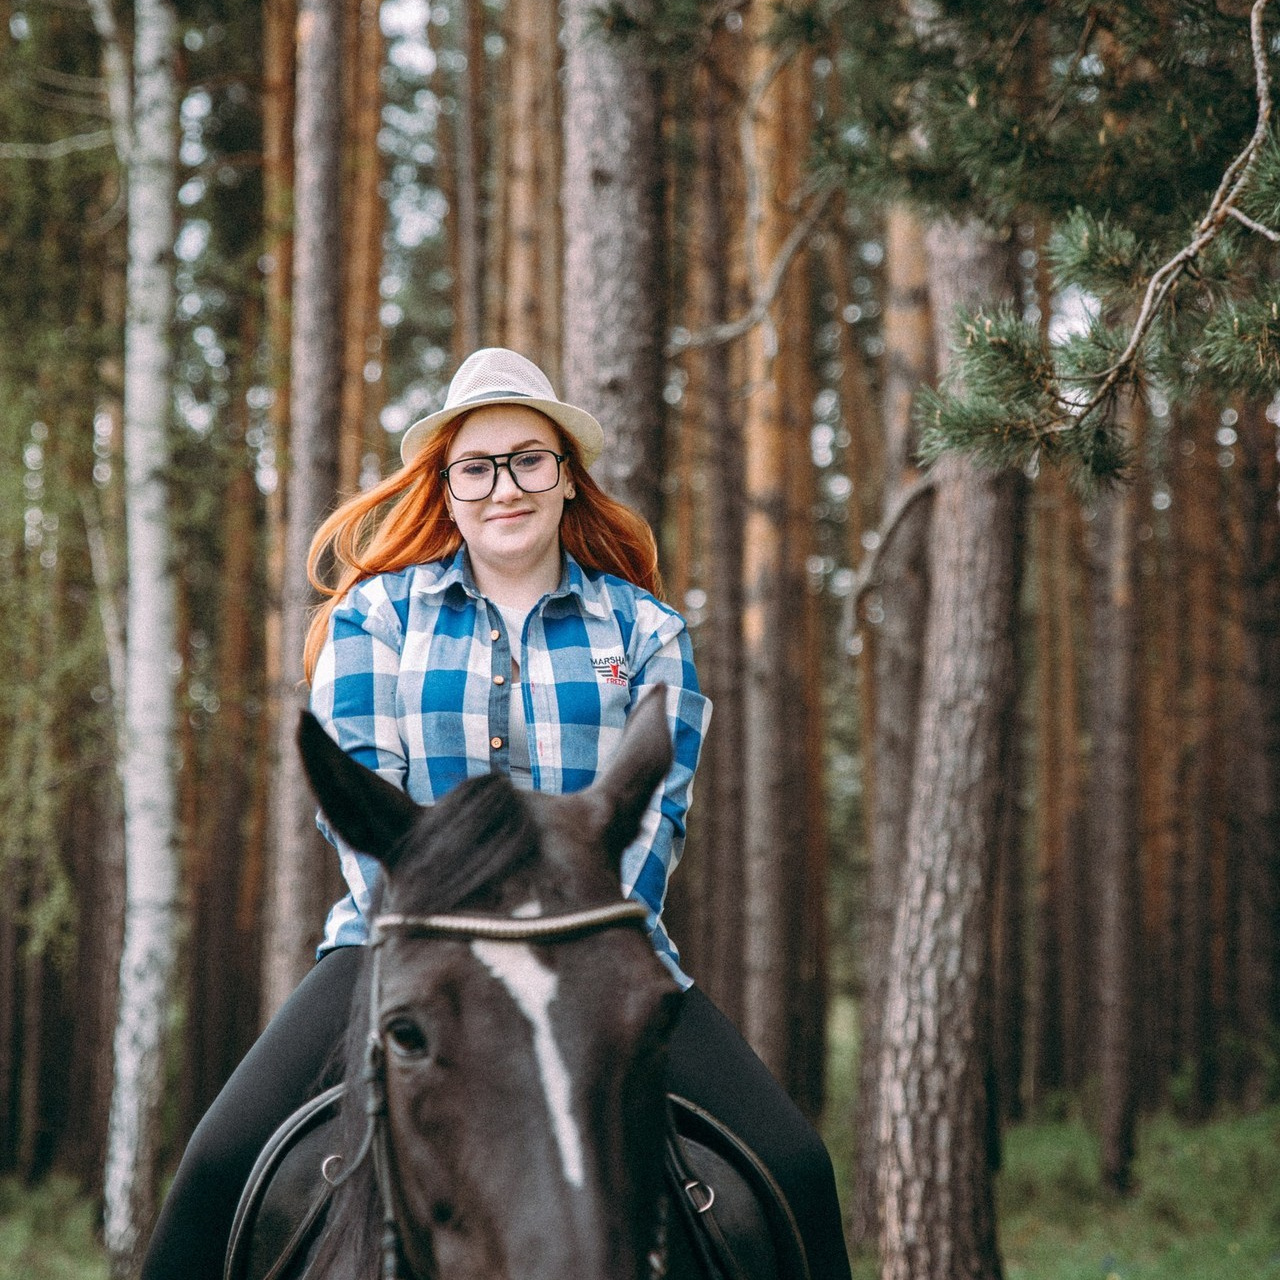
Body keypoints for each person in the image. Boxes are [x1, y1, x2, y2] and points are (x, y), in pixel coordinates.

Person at [142, 347, 851, 1280]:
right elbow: (360, 811)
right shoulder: (373, 619)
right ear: (446, 487)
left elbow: (652, 823)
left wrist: (568, 939)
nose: (502, 487)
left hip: (595, 957)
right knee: (213, 1170)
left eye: (527, 460)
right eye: (474, 467)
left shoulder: (647, 632)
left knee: (797, 1169)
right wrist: (443, 930)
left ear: (565, 479)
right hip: (396, 948)